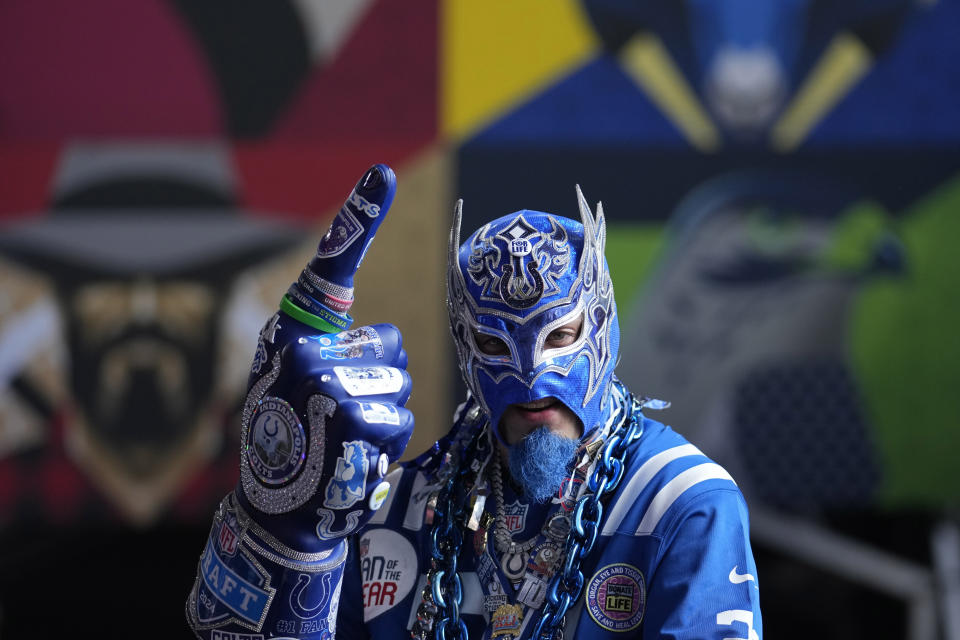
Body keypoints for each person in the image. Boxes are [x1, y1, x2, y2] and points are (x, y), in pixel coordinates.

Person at [186, 165, 763, 640]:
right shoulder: (395, 509)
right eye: (495, 343)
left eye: (559, 335)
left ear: (604, 326)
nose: (533, 377)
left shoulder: (683, 506)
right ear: (464, 347)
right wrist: (279, 538)